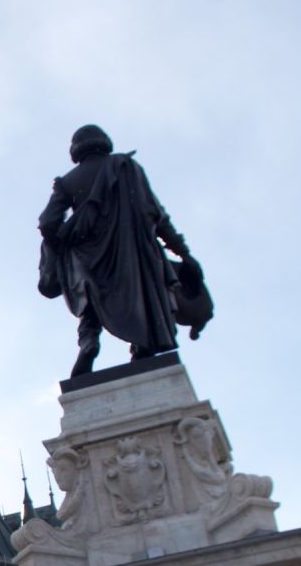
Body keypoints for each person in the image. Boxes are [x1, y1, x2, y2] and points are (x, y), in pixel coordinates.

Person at [39, 125, 208, 377]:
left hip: (85, 257)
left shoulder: (67, 182)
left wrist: (63, 240)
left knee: (90, 302)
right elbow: (155, 214)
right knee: (139, 293)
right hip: (130, 254)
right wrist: (182, 252)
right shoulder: (126, 168)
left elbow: (47, 223)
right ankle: (142, 348)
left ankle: (88, 342)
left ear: (75, 150)